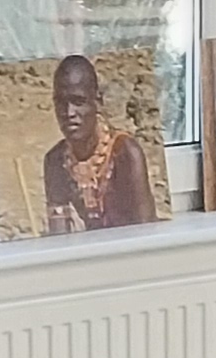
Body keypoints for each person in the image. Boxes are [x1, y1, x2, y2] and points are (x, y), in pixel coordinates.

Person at [41, 53, 158, 232]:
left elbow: (147, 230)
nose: (69, 113)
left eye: (78, 102)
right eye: (61, 103)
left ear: (97, 102)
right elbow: (59, 235)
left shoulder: (125, 153)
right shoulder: (55, 160)